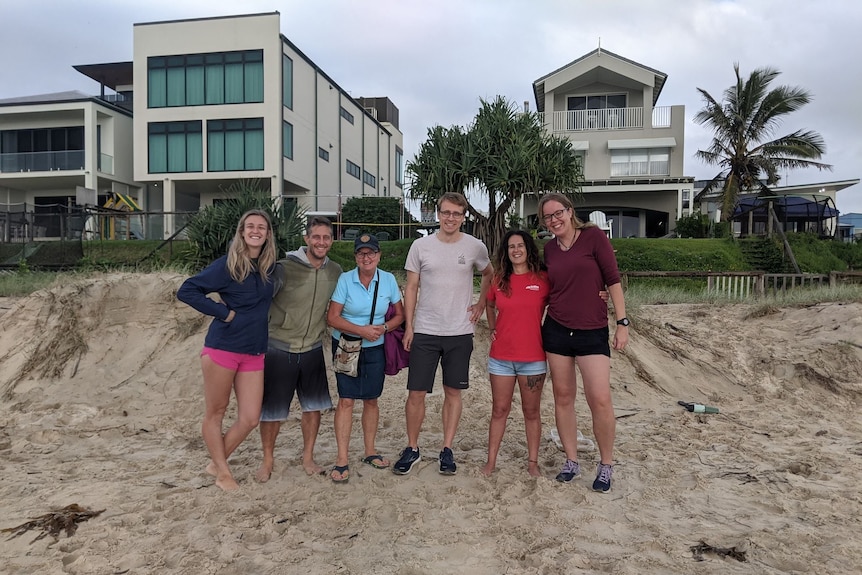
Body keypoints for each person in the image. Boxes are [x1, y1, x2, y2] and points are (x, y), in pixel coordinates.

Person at [176, 209, 277, 491]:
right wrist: (222, 312)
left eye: (261, 227)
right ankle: (222, 472)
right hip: (223, 348)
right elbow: (187, 290)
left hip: (255, 351)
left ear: (268, 234)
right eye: (250, 226)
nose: (255, 231)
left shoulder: (268, 268)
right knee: (216, 413)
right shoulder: (227, 265)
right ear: (242, 232)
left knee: (249, 418)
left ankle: (215, 462)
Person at [393, 192, 493, 476]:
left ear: (464, 217)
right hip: (425, 329)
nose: (451, 218)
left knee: (453, 392)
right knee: (416, 393)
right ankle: (412, 448)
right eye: (446, 213)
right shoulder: (420, 246)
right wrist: (409, 326)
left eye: (456, 214)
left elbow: (489, 274)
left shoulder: (474, 246)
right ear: (438, 214)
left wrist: (481, 302)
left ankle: (446, 449)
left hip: (459, 331)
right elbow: (411, 287)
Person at [538, 193, 629, 493]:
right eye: (548, 217)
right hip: (558, 330)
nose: (554, 220)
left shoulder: (593, 238)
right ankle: (572, 461)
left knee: (599, 398)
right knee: (563, 397)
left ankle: (606, 464)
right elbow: (545, 291)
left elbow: (613, 279)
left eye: (558, 213)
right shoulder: (549, 250)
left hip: (592, 330)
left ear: (570, 211)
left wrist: (622, 323)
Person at [256, 217, 343, 482]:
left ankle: (308, 457)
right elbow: (258, 301)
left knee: (313, 407)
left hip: (313, 348)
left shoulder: (335, 271)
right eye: (316, 237)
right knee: (272, 411)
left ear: (331, 240)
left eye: (326, 237)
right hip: (279, 347)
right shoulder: (282, 268)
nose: (321, 242)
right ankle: (267, 460)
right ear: (306, 239)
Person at [326, 234, 405, 483]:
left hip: (376, 348)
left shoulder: (389, 280)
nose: (366, 257)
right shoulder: (345, 280)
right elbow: (333, 317)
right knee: (346, 401)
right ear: (355, 257)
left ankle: (370, 451)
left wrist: (382, 329)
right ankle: (341, 459)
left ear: (379, 256)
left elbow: (399, 316)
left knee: (371, 399)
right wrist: (362, 331)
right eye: (361, 253)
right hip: (347, 346)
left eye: (371, 253)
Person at [482, 230, 548, 478]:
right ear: (506, 252)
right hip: (501, 359)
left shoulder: (543, 278)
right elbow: (489, 304)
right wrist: (491, 328)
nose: (516, 250)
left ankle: (532, 463)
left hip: (533, 360)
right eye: (511, 247)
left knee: (531, 412)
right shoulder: (499, 279)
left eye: (520, 245)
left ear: (528, 249)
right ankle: (491, 462)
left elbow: (566, 299)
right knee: (499, 410)